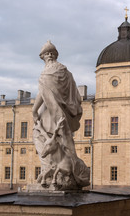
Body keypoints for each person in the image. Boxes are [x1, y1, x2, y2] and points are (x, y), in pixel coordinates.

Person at [32, 41, 89, 189]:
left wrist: (34, 110)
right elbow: (76, 96)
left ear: (44, 56)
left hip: (49, 114)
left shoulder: (47, 72)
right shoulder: (66, 72)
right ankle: (64, 172)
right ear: (54, 55)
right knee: (63, 143)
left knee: (39, 136)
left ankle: (49, 172)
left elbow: (42, 94)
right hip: (64, 115)